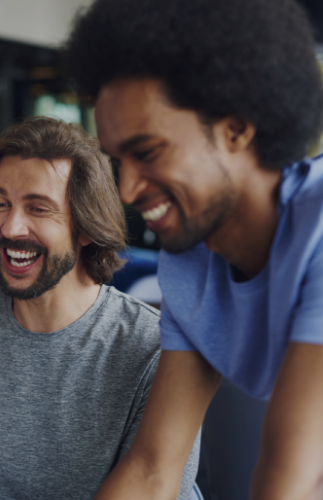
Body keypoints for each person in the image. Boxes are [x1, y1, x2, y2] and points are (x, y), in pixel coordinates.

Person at [62, 0, 323, 498]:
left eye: (149, 152)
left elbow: (291, 478)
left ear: (237, 128)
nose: (128, 191)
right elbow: (152, 469)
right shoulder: (191, 262)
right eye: (119, 161)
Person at [0, 117, 199, 499]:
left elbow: (157, 485)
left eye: (38, 208)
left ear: (85, 227)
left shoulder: (153, 347)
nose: (11, 228)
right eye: (1, 204)